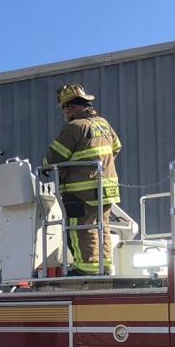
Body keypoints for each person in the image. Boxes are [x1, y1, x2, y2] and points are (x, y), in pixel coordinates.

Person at [45, 85, 122, 275]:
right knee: (102, 227)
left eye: (65, 109)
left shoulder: (74, 127)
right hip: (107, 188)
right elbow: (116, 147)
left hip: (81, 190)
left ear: (70, 108)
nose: (65, 113)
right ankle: (105, 267)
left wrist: (45, 167)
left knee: (80, 228)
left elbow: (54, 158)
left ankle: (87, 269)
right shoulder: (103, 124)